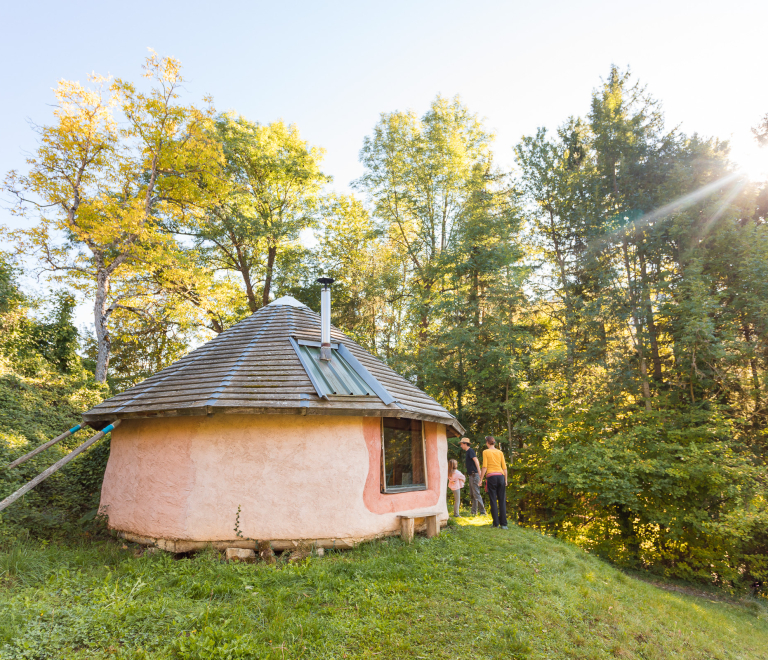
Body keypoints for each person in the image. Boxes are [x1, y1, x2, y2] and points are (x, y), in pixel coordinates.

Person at [479, 436, 508, 529]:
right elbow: (504, 468)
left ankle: (496, 524)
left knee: (493, 500)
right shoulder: (500, 452)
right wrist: (506, 480)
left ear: (487, 442)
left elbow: (484, 467)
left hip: (491, 477)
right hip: (501, 477)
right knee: (502, 500)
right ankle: (504, 524)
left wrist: (480, 480)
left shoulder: (485, 452)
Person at [459, 437, 487, 516]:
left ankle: (483, 512)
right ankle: (474, 512)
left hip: (475, 475)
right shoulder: (467, 452)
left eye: (461, 444)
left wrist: (480, 473)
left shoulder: (470, 451)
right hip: (471, 475)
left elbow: (476, 461)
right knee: (472, 494)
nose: (461, 446)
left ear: (465, 444)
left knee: (476, 494)